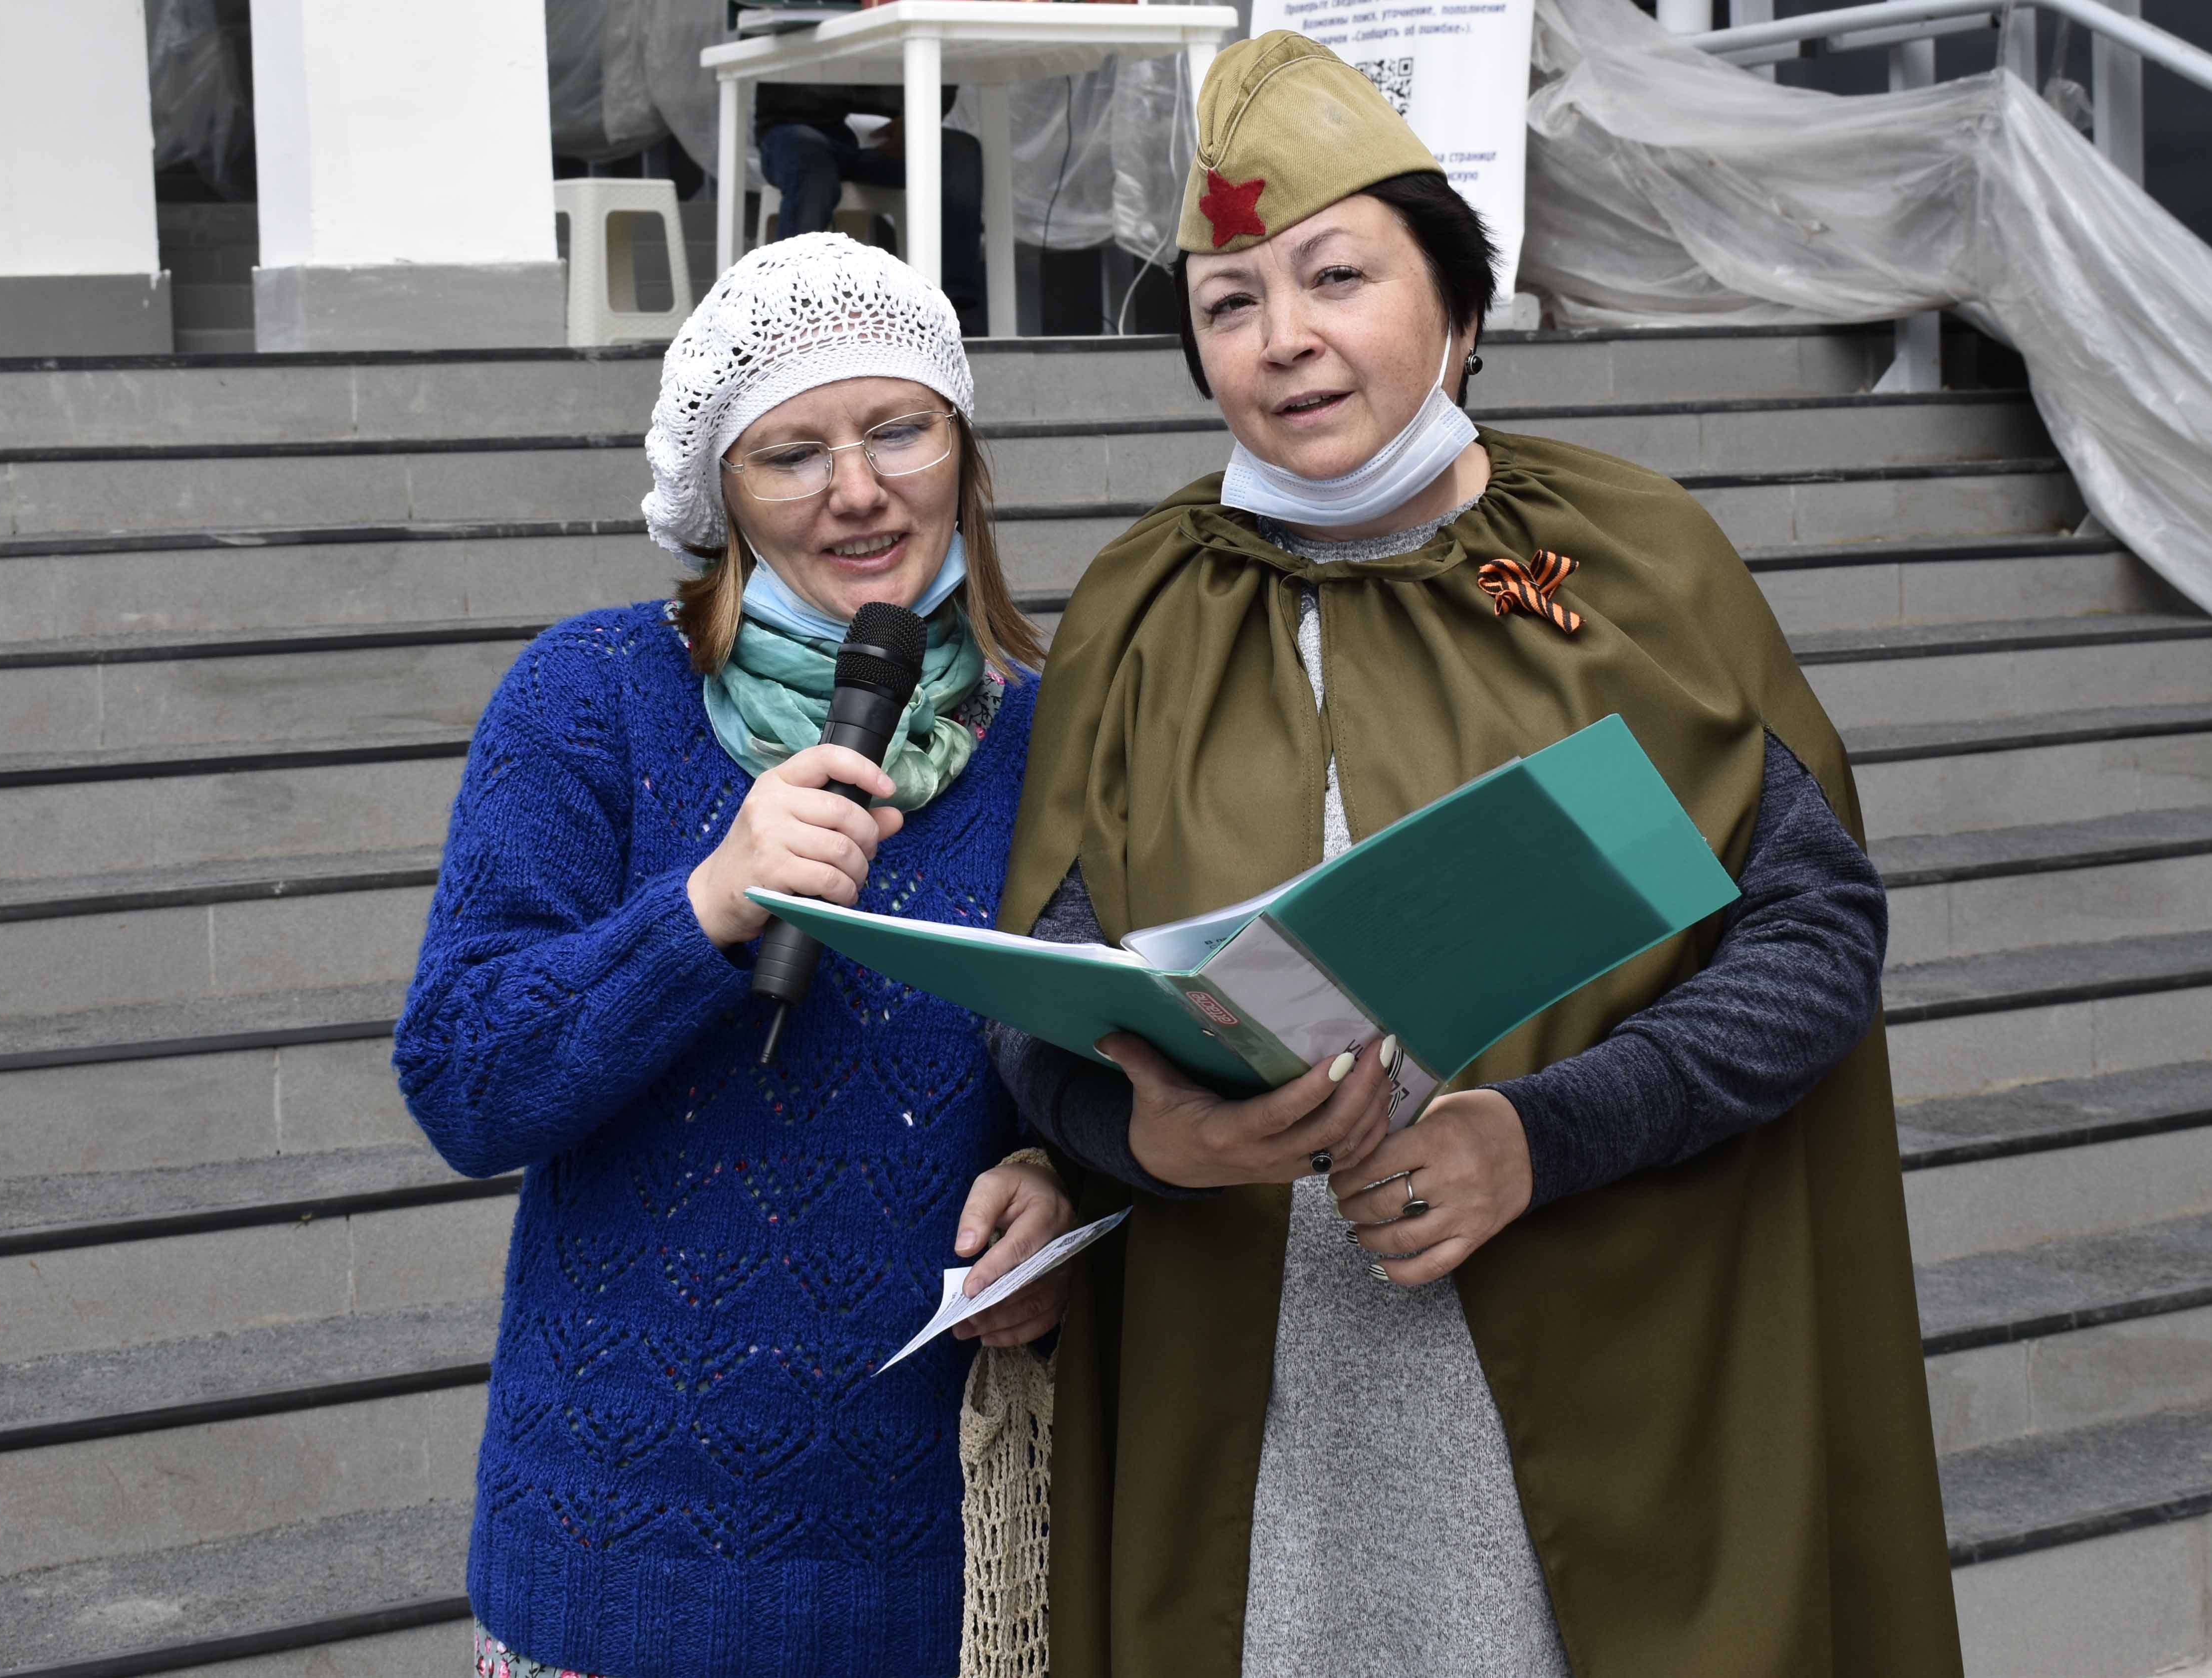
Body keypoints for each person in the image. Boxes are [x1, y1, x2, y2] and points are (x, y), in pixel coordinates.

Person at [988, 32, 1962, 1678]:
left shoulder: (1637, 561)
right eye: (1230, 303)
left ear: (1454, 297)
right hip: (1260, 1438)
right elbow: (1047, 988)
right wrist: (1133, 1123)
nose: (1284, 339)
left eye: (1334, 276)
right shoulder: (1146, 609)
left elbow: (1813, 944)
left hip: (1620, 1404)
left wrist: (1542, 1131)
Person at [394, 232, 1059, 1678]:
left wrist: (1058, 1178)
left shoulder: (1053, 735)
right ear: (721, 499)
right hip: (613, 1560)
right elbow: (461, 1073)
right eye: (792, 453)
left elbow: (1094, 1060)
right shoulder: (592, 698)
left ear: (963, 447)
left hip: (945, 1570)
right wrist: (704, 903)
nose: (861, 489)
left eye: (898, 429)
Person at [757, 83, 986, 333]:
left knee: (959, 153)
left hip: (890, 129)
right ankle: (792, 311)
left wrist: (918, 117)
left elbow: (943, 64)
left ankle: (951, 315)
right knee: (812, 173)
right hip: (799, 124)